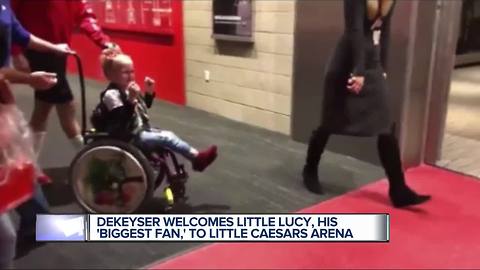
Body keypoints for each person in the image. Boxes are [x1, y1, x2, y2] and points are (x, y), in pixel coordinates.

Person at [302, 0, 431, 208]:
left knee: (385, 124)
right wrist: (358, 71)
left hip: (371, 60)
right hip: (347, 61)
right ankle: (310, 169)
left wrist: (384, 67)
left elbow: (385, 31)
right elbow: (353, 30)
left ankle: (398, 190)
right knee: (329, 121)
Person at [10, 0, 119, 184]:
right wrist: (16, 51)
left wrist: (104, 42)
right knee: (66, 106)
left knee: (42, 110)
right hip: (38, 50)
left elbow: (84, 14)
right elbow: (11, 15)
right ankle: (93, 164)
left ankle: (27, 167)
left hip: (58, 51)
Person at [1, 0, 73, 260]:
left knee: (19, 160)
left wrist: (55, 47)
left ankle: (36, 220)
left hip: (3, 98)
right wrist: (29, 79)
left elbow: (22, 35)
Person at [97, 49, 218, 174]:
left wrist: (149, 91)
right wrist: (131, 99)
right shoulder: (111, 95)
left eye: (132, 71)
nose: (130, 75)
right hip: (126, 136)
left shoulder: (129, 89)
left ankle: (191, 160)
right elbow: (122, 119)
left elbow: (144, 106)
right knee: (168, 138)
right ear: (110, 75)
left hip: (137, 130)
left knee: (166, 133)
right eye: (125, 72)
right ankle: (197, 158)